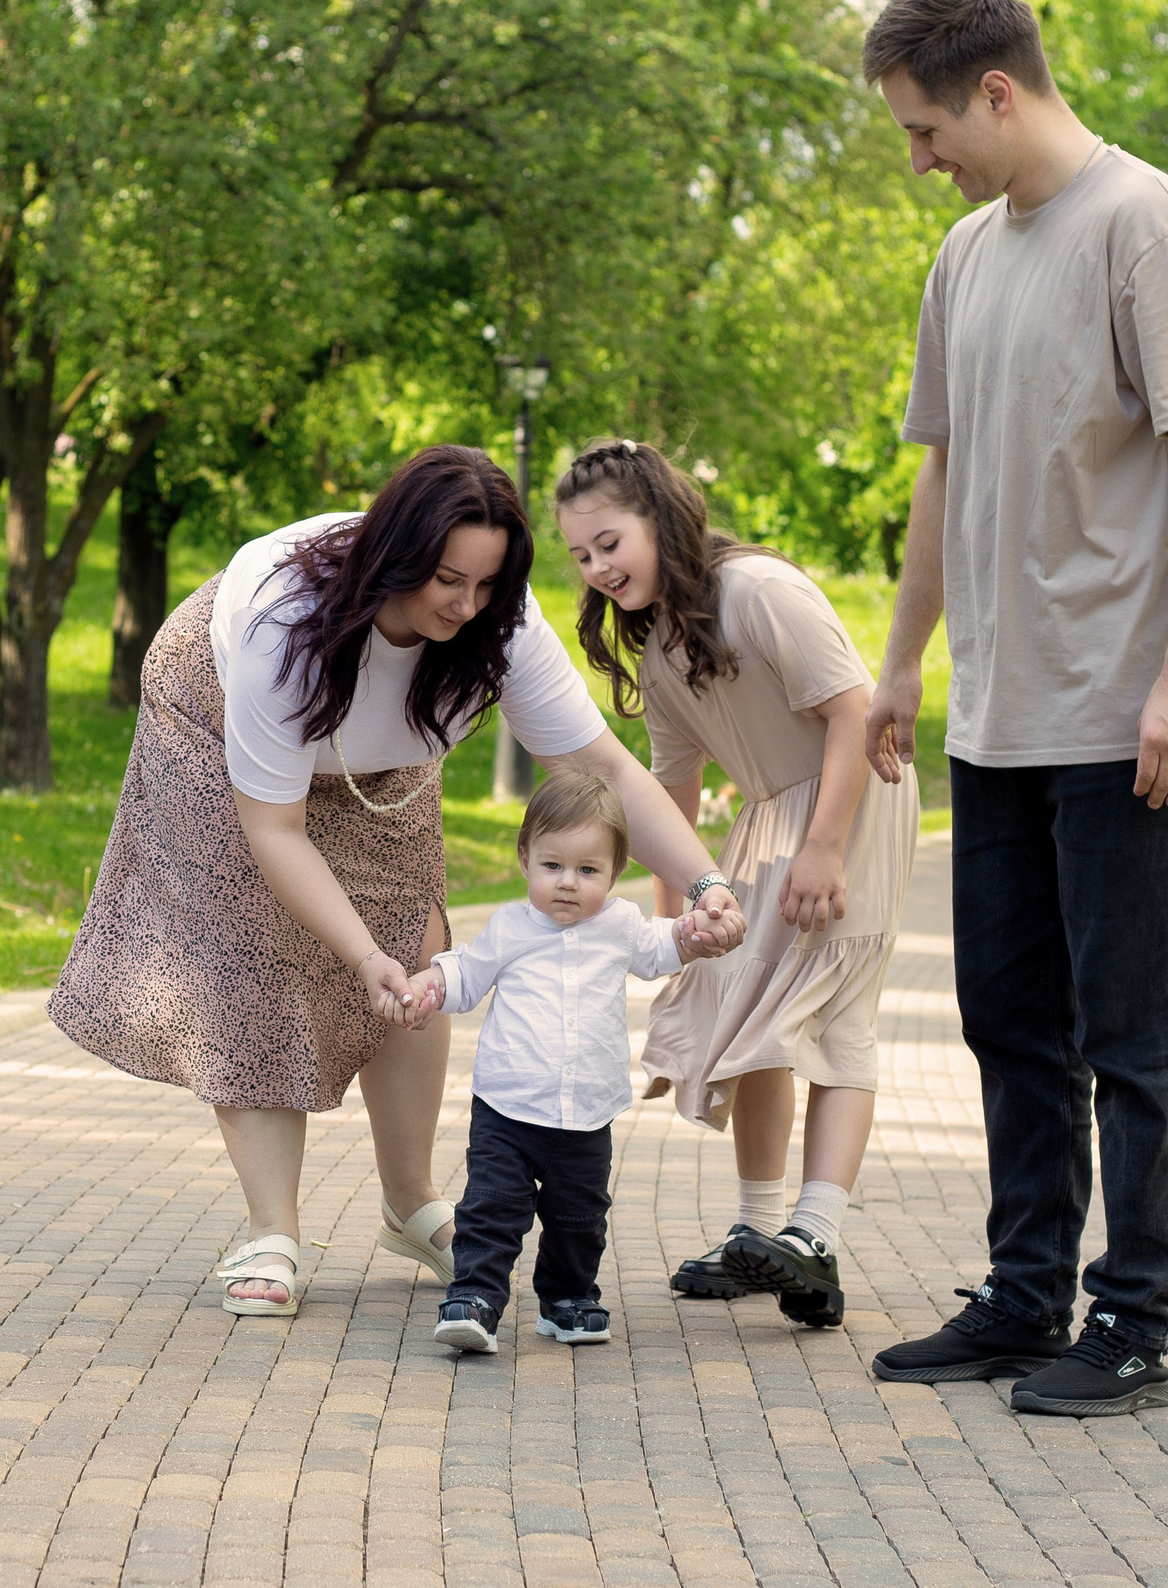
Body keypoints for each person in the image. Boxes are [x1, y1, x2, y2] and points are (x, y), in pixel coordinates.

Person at [50, 445, 745, 1318]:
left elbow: (599, 761)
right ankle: (273, 1228)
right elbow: (275, 829)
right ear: (397, 555)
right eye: (446, 579)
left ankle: (411, 1203)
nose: (465, 604)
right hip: (213, 716)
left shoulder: (499, 622)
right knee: (257, 948)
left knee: (419, 944)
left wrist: (707, 877)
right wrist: (356, 952)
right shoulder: (284, 620)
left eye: (486, 584)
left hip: (384, 754)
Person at [855, 0, 1168, 1416]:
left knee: (1134, 1034)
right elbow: (944, 469)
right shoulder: (968, 255)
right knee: (1009, 1020)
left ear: (997, 92)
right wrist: (903, 661)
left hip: (1125, 718)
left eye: (924, 131)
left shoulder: (1143, 226)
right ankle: (1027, 1299)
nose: (919, 161)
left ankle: (1133, 1322)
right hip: (1002, 719)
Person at [555, 439, 919, 1330]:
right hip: (769, 815)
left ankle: (816, 1236)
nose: (599, 567)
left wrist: (826, 846)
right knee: (748, 1009)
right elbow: (668, 788)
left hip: (850, 799)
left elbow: (851, 711)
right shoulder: (659, 639)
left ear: (659, 517)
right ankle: (763, 1234)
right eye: (581, 555)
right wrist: (679, 929)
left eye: (610, 542)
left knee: (831, 1015)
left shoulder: (760, 591)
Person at [407, 772, 726, 1353]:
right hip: (508, 1106)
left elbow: (663, 948)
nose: (568, 884)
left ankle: (567, 1299)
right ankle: (475, 1297)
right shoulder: (509, 927)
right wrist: (431, 984)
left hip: (586, 1111)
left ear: (616, 871)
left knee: (579, 1217)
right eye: (552, 866)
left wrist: (696, 933)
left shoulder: (621, 926)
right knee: (492, 1209)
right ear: (526, 857)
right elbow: (467, 975)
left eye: (588, 871)